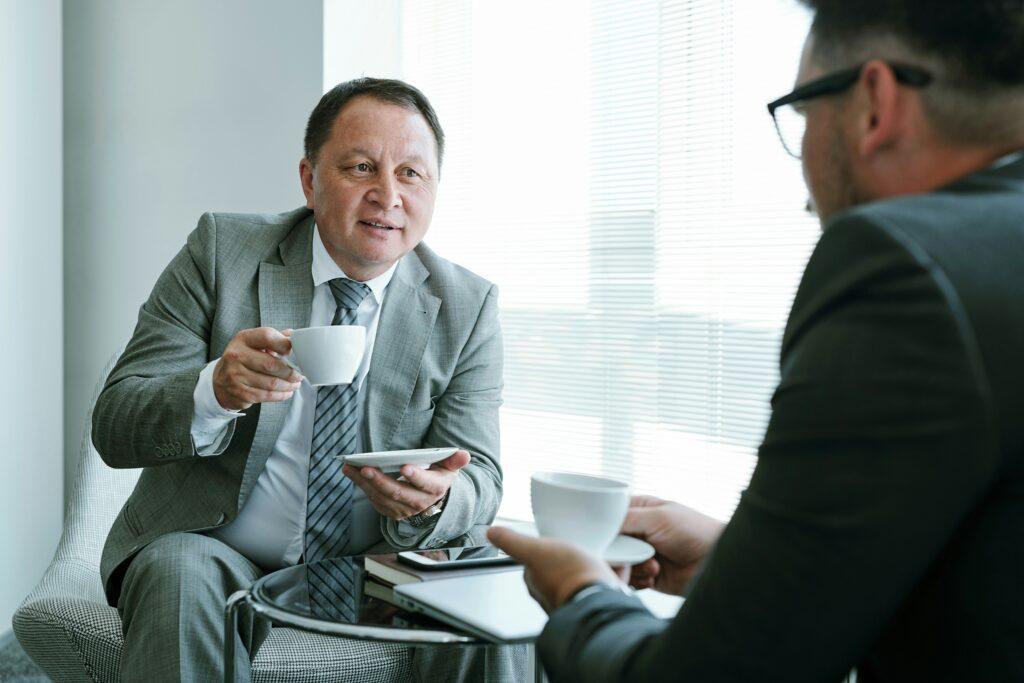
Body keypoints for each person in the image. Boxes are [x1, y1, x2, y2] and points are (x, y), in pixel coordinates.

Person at [489, 1, 1024, 680]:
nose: (804, 184)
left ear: (874, 104)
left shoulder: (905, 268)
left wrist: (581, 594)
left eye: (800, 114)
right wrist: (737, 561)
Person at [92, 78, 504, 681]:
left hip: (384, 567)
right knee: (179, 570)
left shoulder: (468, 306)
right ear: (310, 180)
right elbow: (116, 423)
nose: (387, 195)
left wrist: (434, 500)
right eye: (361, 167)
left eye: (411, 174)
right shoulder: (221, 252)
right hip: (223, 551)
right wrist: (215, 389)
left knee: (496, 595)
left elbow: (484, 478)